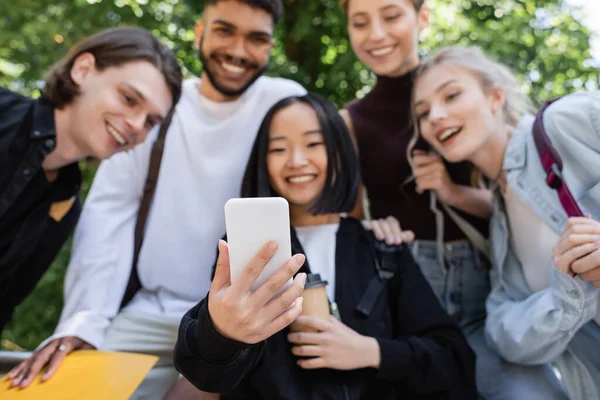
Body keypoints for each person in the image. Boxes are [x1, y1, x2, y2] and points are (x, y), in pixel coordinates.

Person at [6, 1, 306, 398]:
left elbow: (322, 181)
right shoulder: (157, 108)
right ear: (199, 31)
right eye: (224, 30)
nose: (238, 50)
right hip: (149, 310)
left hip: (242, 313)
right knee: (73, 389)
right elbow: (108, 217)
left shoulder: (284, 104)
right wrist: (83, 323)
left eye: (256, 38)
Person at [173, 93, 478, 399]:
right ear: (263, 162)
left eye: (313, 144)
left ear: (339, 151)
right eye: (278, 148)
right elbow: (205, 373)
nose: (296, 160)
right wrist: (224, 334)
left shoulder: (382, 246)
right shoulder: (244, 250)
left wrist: (370, 352)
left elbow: (454, 359)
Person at [338, 1, 571, 398]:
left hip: (485, 289)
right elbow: (353, 226)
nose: (376, 34)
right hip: (409, 293)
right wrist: (374, 228)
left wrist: (453, 193)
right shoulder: (351, 121)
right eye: (360, 23)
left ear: (422, 17)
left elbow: (513, 203)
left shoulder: (460, 87)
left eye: (391, 16)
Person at [411, 45, 600, 400]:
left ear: (495, 96)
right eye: (422, 113)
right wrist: (567, 295)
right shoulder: (501, 230)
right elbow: (504, 333)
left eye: (451, 95)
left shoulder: (566, 123)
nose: (434, 116)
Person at [0, 27, 182, 334]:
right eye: (128, 98)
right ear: (83, 70)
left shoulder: (65, 206)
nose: (137, 125)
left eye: (151, 121)